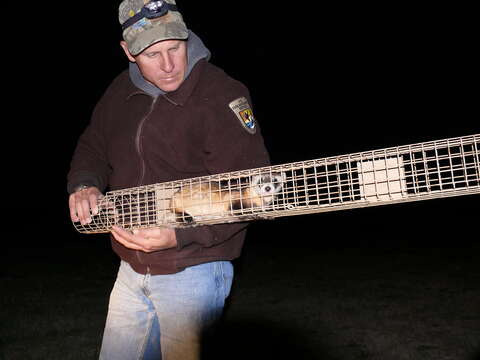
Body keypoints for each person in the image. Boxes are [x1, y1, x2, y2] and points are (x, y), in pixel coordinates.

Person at [67, 1, 270, 359]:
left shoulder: (221, 95)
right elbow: (93, 145)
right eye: (152, 54)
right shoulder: (119, 93)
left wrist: (178, 235)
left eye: (175, 48)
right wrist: (85, 183)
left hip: (195, 269)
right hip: (130, 268)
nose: (168, 64)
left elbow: (253, 191)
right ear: (128, 52)